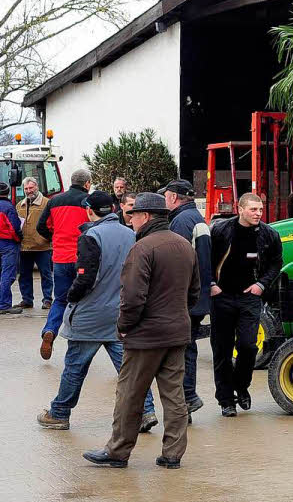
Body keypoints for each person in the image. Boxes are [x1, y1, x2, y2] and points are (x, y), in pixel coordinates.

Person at [82, 193, 199, 470]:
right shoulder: (184, 246)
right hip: (177, 331)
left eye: (133, 215)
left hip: (145, 336)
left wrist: (123, 326)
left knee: (130, 394)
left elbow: (132, 297)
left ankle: (118, 451)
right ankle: (173, 454)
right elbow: (194, 293)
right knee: (174, 396)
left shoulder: (143, 248)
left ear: (145, 217)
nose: (129, 219)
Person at [36, 192, 156, 430]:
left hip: (90, 315)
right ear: (113, 209)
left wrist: (70, 297)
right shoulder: (131, 235)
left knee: (74, 367)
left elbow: (85, 278)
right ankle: (146, 411)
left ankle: (59, 412)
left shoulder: (90, 236)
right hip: (121, 313)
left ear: (90, 211)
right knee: (130, 368)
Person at [209, 192, 282, 417]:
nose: (258, 214)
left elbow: (276, 263)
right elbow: (205, 259)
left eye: (260, 210)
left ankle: (241, 386)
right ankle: (225, 400)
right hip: (222, 296)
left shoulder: (269, 235)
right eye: (253, 210)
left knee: (249, 346)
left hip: (249, 296)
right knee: (221, 349)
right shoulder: (220, 230)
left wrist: (261, 284)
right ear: (240, 209)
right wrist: (211, 283)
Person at [161, 178, 212, 416]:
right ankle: (187, 400)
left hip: (184, 299)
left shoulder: (180, 222)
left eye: (165, 196)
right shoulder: (197, 219)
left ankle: (187, 398)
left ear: (172, 197)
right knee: (187, 347)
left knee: (179, 351)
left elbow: (176, 263)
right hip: (197, 298)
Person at [37, 168, 91, 359]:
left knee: (60, 299)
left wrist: (55, 238)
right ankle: (78, 344)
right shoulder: (87, 202)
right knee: (84, 300)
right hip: (82, 258)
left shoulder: (54, 201)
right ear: (87, 184)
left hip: (59, 258)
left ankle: (50, 330)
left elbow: (40, 226)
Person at [15, 177, 53, 313]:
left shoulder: (47, 203)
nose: (28, 191)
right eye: (26, 189)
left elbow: (52, 223)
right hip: (25, 246)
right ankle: (27, 300)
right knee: (24, 275)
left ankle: (47, 299)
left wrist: (48, 238)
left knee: (46, 274)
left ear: (37, 187)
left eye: (31, 188)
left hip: (42, 246)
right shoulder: (20, 205)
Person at [0, 181, 22, 314]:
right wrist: (19, 239)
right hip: (7, 244)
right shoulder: (8, 207)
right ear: (7, 193)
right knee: (8, 274)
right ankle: (4, 304)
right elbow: (14, 227)